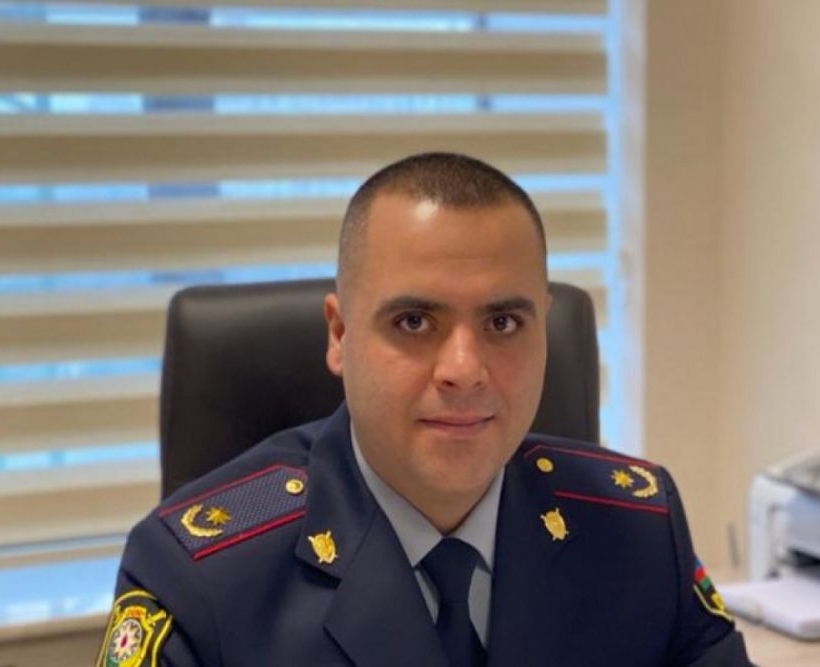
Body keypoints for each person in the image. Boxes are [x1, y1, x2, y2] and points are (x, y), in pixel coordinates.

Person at [97, 152, 752, 666]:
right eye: (413, 321)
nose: (464, 369)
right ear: (339, 334)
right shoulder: (198, 577)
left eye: (503, 322)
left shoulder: (638, 530)